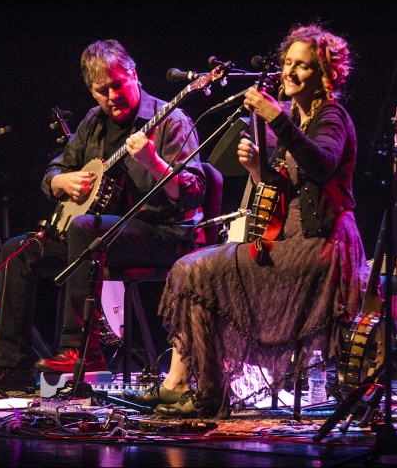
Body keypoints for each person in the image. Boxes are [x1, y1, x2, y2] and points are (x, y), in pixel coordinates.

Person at [123, 24, 370, 418]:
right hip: (289, 241)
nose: (289, 72)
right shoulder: (300, 117)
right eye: (287, 62)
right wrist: (262, 172)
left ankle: (201, 391)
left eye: (302, 66)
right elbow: (292, 188)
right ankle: (180, 386)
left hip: (320, 247)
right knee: (194, 269)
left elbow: (321, 166)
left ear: (325, 76)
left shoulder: (331, 116)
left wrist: (275, 117)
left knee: (199, 269)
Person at [0, 39, 206, 391]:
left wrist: (153, 161)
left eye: (118, 85)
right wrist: (63, 181)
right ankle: (8, 366)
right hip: (99, 235)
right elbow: (54, 171)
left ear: (134, 75)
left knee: (85, 226)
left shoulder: (171, 120)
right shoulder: (93, 122)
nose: (111, 97)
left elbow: (194, 192)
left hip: (163, 233)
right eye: (101, 91)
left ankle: (81, 350)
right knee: (18, 250)